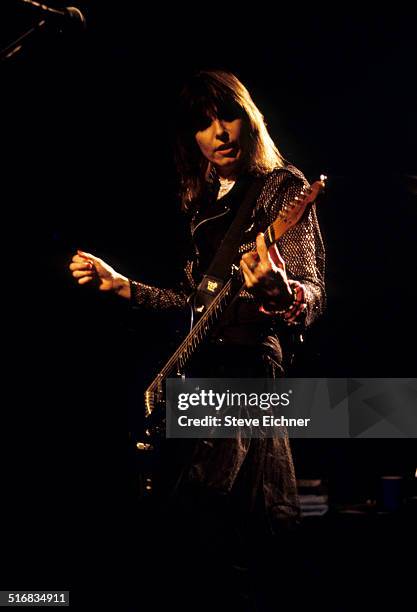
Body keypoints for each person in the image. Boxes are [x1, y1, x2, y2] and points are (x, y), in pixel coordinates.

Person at [69, 70, 325, 611]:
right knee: (192, 540)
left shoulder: (283, 188)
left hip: (250, 368)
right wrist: (123, 287)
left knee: (225, 523)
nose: (219, 134)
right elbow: (194, 306)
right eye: (203, 126)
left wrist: (282, 294)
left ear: (248, 119)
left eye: (226, 117)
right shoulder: (204, 205)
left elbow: (314, 293)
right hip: (201, 377)